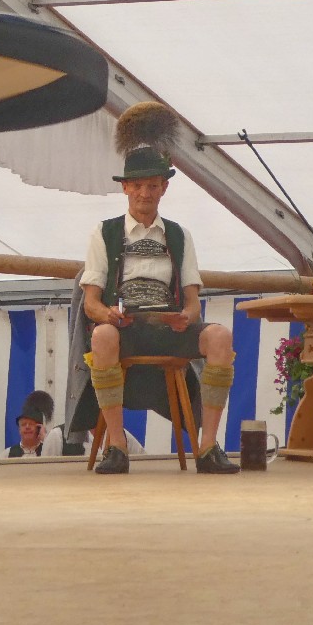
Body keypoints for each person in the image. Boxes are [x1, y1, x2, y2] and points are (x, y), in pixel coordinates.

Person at [80, 102, 240, 475]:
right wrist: (109, 315)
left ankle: (208, 447)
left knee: (220, 337)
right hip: (126, 330)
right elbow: (90, 304)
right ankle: (116, 447)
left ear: (164, 188)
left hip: (170, 331)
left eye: (152, 186)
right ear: (125, 188)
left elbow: (193, 303)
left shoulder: (180, 235)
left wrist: (186, 318)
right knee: (101, 336)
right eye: (137, 186)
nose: (144, 193)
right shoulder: (104, 233)